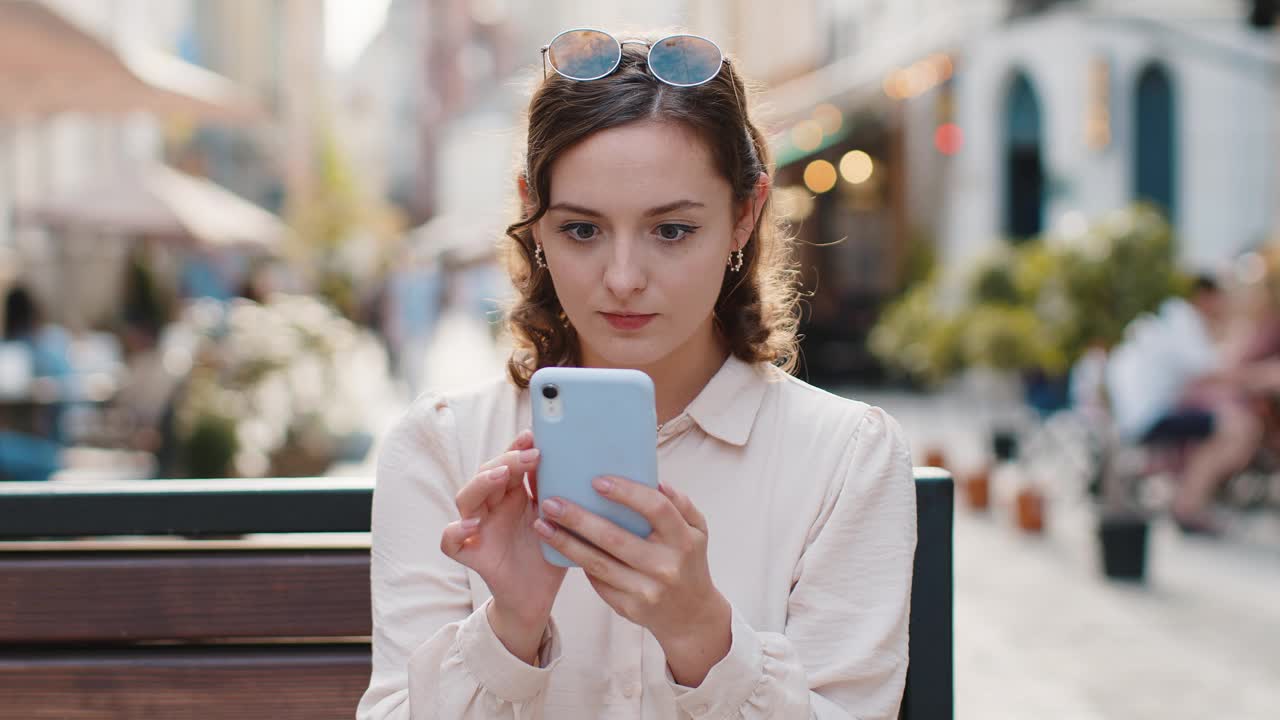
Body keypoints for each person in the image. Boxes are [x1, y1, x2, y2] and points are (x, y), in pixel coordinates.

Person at [358, 30, 916, 720]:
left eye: (672, 230)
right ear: (533, 216)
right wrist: (510, 624)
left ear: (745, 215)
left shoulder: (846, 459)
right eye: (583, 230)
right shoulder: (444, 447)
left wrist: (703, 636)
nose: (623, 279)